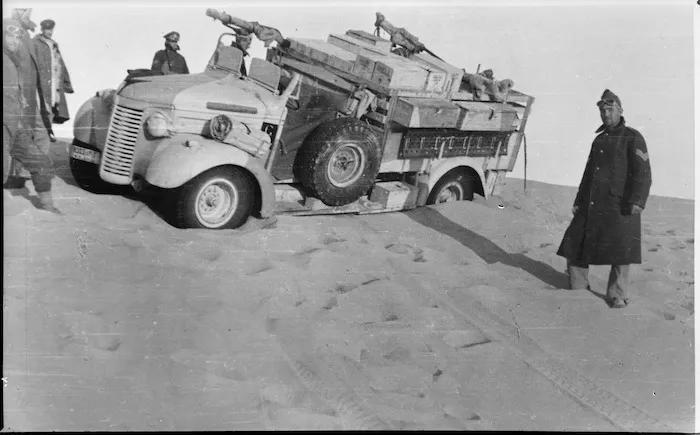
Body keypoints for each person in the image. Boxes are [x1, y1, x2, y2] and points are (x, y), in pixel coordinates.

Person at [556, 89, 651, 308]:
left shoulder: (633, 137)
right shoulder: (599, 140)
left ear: (620, 110)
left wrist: (637, 200)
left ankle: (617, 294)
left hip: (620, 205)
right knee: (575, 242)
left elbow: (642, 172)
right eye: (602, 110)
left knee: (621, 249)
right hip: (592, 203)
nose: (606, 114)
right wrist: (579, 200)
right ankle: (578, 286)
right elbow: (588, 173)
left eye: (610, 109)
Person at [3, 19, 61, 214]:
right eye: (10, 35)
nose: (14, 40)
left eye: (18, 37)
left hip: (16, 130)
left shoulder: (18, 60)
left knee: (41, 163)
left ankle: (47, 205)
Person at [33, 19, 74, 129]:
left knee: (52, 104)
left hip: (54, 80)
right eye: (47, 29)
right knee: (41, 104)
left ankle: (48, 130)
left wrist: (66, 81)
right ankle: (41, 132)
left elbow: (61, 63)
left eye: (51, 29)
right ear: (42, 29)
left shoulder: (54, 45)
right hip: (41, 80)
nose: (49, 32)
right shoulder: (35, 43)